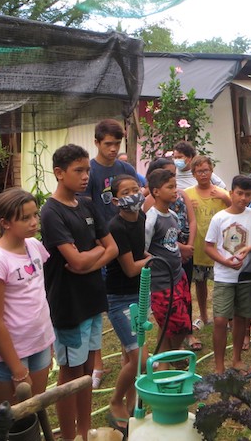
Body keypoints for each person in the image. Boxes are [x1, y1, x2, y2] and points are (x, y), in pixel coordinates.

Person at [40, 144, 118, 440]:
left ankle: (85, 433)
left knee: (86, 371)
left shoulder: (87, 204)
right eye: (79, 170)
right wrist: (92, 255)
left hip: (92, 299)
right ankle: (70, 436)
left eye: (87, 170)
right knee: (70, 373)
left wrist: (87, 262)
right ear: (59, 173)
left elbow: (112, 247)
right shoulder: (51, 212)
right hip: (69, 304)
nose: (86, 176)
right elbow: (74, 260)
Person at [0, 188, 54, 410]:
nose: (34, 222)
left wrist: (47, 340)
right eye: (25, 218)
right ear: (5, 223)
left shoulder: (34, 245)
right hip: (9, 355)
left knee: (35, 410)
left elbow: (37, 293)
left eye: (35, 215)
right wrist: (17, 370)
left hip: (39, 343)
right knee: (12, 419)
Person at [84, 119, 145, 388]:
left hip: (127, 241)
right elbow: (85, 207)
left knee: (130, 304)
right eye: (107, 143)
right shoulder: (90, 172)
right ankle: (97, 364)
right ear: (96, 142)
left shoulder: (126, 168)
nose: (112, 148)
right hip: (102, 242)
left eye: (117, 143)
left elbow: (144, 189)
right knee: (101, 305)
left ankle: (128, 362)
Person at [204, 175, 251, 375]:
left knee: (241, 317)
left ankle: (236, 359)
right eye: (239, 193)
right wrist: (224, 261)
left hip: (247, 275)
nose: (242, 198)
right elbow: (209, 246)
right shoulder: (219, 218)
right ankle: (218, 365)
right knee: (220, 320)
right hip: (225, 276)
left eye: (247, 194)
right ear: (231, 193)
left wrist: (249, 248)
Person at [105, 174, 151, 428]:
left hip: (140, 293)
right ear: (115, 200)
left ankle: (132, 402)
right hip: (121, 300)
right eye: (126, 192)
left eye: (136, 189)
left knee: (129, 355)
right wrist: (153, 260)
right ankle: (115, 401)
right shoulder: (116, 227)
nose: (134, 195)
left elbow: (138, 252)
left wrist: (148, 256)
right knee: (140, 358)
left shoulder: (141, 217)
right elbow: (131, 268)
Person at [143, 158, 200, 351]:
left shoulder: (173, 216)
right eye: (170, 187)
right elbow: (142, 249)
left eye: (175, 186)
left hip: (178, 277)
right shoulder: (151, 219)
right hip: (161, 282)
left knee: (175, 323)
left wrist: (180, 251)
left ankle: (163, 359)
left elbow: (170, 243)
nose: (175, 190)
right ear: (156, 191)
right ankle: (173, 355)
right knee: (179, 326)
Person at [184, 156, 231, 330]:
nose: (203, 174)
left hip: (219, 248)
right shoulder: (188, 194)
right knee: (200, 283)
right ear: (193, 173)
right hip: (198, 247)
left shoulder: (221, 192)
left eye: (206, 170)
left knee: (222, 285)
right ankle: (203, 316)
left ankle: (223, 316)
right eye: (199, 171)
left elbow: (236, 208)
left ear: (212, 171)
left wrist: (225, 198)